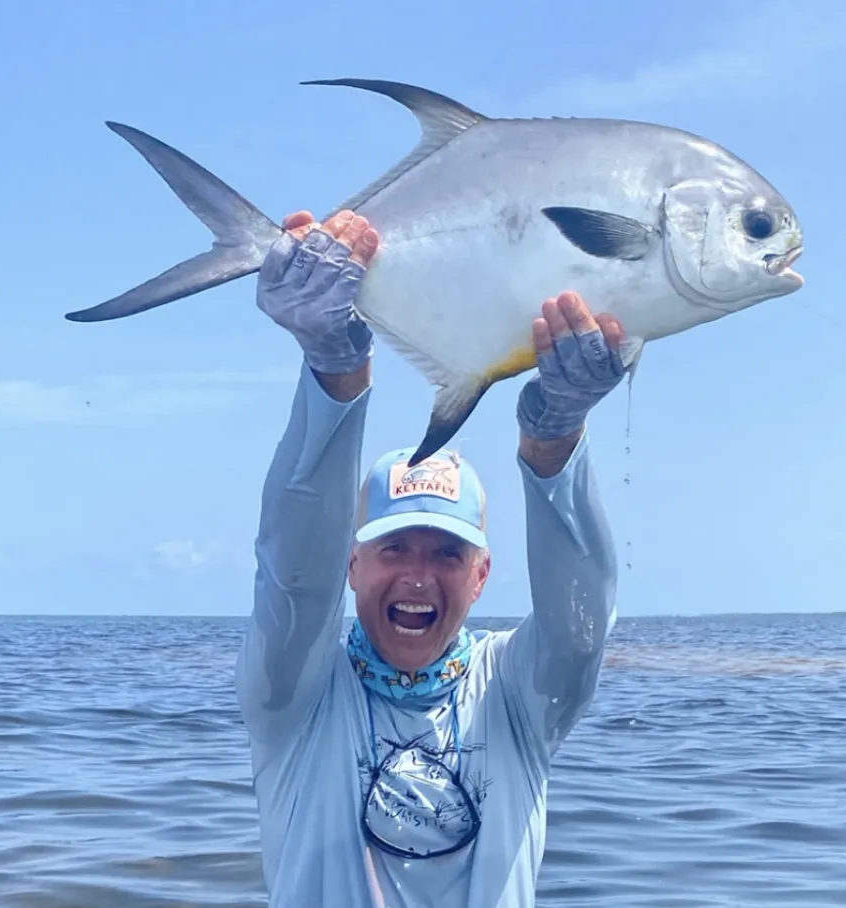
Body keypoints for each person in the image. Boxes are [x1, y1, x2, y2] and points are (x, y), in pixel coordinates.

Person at [235, 206, 625, 908]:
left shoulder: (515, 695)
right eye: (393, 547)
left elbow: (581, 624)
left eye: (447, 552)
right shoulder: (294, 695)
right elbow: (292, 573)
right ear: (351, 566)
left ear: (480, 576)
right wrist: (334, 374)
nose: (417, 574)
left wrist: (555, 443)